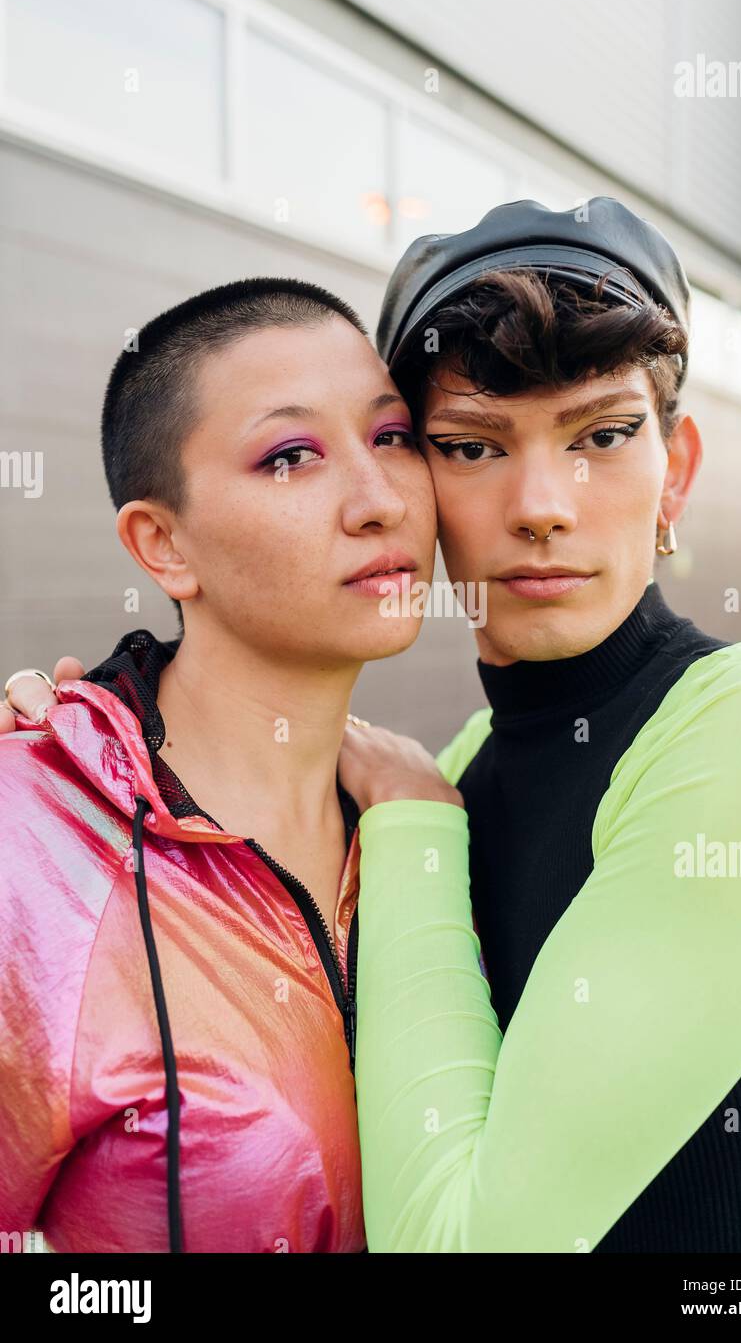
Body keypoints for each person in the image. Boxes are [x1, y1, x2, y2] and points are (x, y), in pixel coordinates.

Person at [8, 200, 741, 1253]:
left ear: (674, 472)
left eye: (603, 434)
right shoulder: (448, 778)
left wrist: (414, 826)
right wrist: (65, 764)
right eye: (468, 446)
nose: (542, 503)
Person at [0, 276, 454, 1253]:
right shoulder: (29, 840)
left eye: (391, 437)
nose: (378, 502)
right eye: (289, 456)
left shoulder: (430, 819)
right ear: (161, 543)